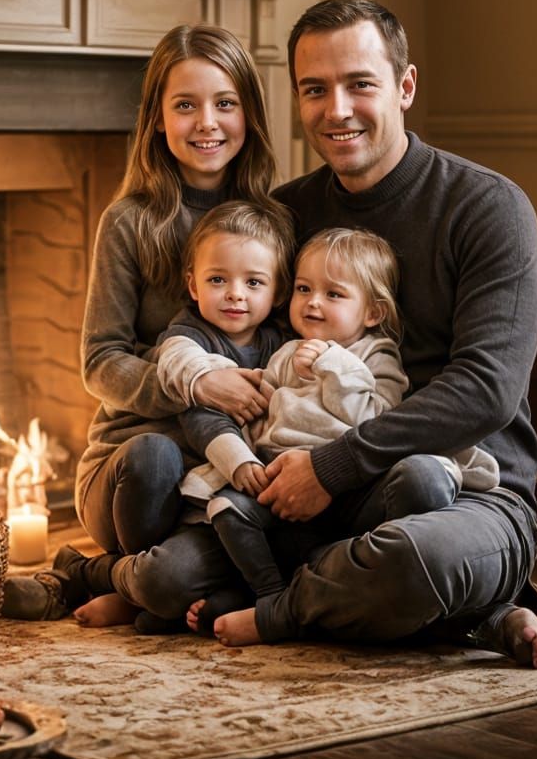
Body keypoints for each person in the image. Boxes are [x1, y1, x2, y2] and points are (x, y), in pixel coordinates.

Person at [107, 0, 537, 668]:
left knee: (414, 560)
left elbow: (486, 390)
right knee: (169, 577)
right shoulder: (286, 214)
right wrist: (206, 384)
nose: (336, 109)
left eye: (360, 84)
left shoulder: (488, 207)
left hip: (461, 495)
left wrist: (333, 466)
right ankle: (464, 613)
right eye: (315, 90)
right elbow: (230, 340)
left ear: (405, 86)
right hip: (296, 498)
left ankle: (283, 610)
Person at [2, 23, 281, 623]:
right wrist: (197, 383)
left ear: (249, 114)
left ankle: (103, 579)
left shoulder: (275, 221)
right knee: (155, 455)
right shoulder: (129, 222)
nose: (207, 122)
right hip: (133, 474)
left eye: (225, 103)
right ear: (156, 118)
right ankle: (131, 575)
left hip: (224, 475)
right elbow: (100, 362)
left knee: (179, 578)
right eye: (185, 105)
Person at [159, 225, 499, 635]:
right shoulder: (285, 353)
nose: (313, 302)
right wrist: (245, 459)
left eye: (333, 294)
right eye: (304, 289)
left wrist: (332, 364)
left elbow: (374, 417)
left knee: (422, 478)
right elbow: (260, 415)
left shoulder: (377, 355)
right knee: (226, 510)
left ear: (373, 313)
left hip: (354, 491)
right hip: (282, 490)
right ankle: (268, 592)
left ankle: (294, 600)